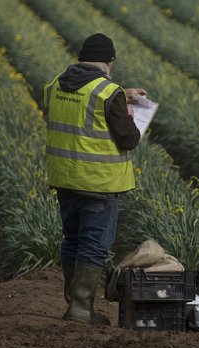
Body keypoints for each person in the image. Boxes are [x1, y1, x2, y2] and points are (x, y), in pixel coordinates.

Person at [44, 33, 147, 326]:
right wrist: (128, 111)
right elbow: (128, 138)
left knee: (72, 239)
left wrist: (120, 94)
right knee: (94, 244)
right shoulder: (107, 91)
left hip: (65, 179)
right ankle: (80, 309)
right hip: (98, 182)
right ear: (109, 62)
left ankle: (73, 302)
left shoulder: (55, 84)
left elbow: (81, 105)